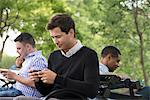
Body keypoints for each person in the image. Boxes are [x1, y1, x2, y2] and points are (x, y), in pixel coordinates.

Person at [14, 13, 99, 100]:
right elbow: (46, 91)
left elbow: (92, 90)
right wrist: (38, 81)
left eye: (58, 37)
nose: (55, 41)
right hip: (49, 98)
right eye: (52, 37)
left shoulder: (89, 55)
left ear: (71, 33)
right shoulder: (54, 56)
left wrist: (57, 79)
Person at [0, 32, 48, 98]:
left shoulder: (38, 60)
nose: (16, 51)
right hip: (15, 89)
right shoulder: (27, 59)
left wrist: (14, 76)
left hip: (24, 94)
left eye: (19, 48)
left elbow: (35, 84)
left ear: (28, 47)